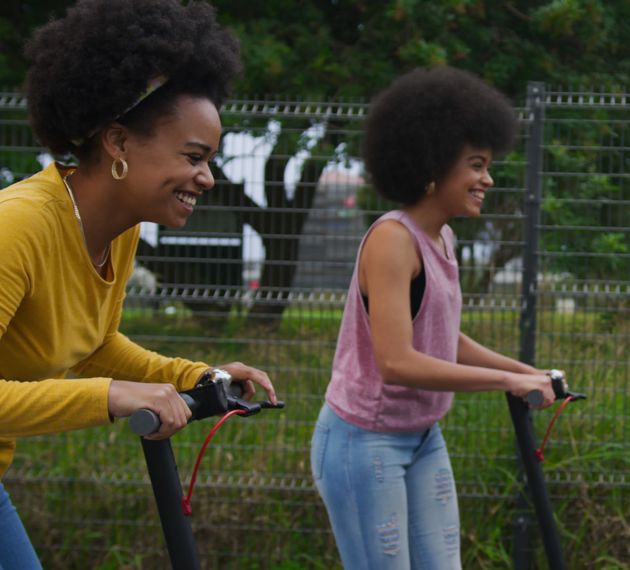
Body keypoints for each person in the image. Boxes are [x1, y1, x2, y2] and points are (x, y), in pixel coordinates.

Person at [0, 1, 277, 567]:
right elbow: (103, 376)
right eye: (194, 156)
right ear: (119, 142)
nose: (207, 177)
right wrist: (113, 396)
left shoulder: (115, 231)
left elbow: (95, 344)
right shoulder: (18, 226)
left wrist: (199, 376)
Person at [311, 66, 559, 569]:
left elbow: (444, 338)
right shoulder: (392, 241)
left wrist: (525, 371)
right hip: (365, 440)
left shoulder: (442, 237)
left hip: (423, 436)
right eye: (475, 165)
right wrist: (505, 380)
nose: (487, 179)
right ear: (433, 164)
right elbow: (398, 361)